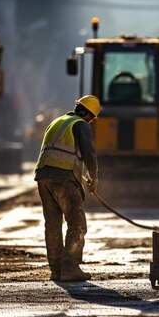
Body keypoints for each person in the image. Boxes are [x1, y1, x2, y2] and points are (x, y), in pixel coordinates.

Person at [34, 95, 100, 281]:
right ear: (88, 114)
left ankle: (56, 270)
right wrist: (94, 177)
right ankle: (70, 267)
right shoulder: (81, 125)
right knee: (77, 224)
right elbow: (89, 153)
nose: (90, 121)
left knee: (52, 225)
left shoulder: (56, 122)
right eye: (92, 118)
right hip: (63, 178)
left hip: (43, 177)